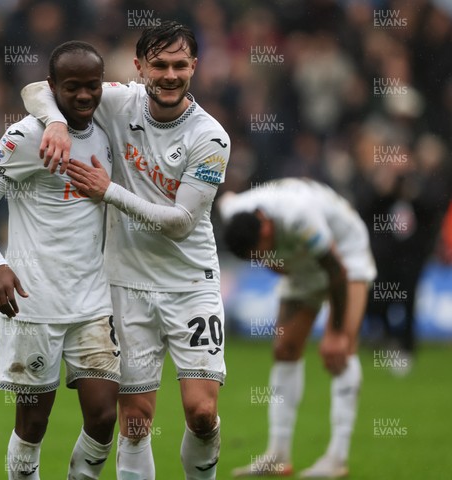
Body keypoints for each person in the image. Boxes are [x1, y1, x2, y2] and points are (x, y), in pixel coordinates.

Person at [21, 21, 230, 480]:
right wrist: (55, 122)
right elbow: (37, 88)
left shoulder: (211, 138)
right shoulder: (117, 102)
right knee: (135, 422)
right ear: (140, 68)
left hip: (191, 284)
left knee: (200, 412)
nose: (170, 75)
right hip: (126, 285)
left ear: (194, 66)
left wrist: (109, 191)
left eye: (180, 65)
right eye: (159, 65)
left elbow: (180, 223)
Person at [0, 41, 120, 480]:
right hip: (34, 304)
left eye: (92, 86)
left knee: (105, 418)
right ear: (53, 88)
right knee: (33, 426)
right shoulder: (24, 137)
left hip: (92, 301)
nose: (85, 96)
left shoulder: (106, 127)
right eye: (72, 88)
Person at [219, 178, 376, 479]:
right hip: (301, 260)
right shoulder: (234, 213)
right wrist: (270, 261)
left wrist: (335, 332)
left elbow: (335, 269)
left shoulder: (299, 216)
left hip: (345, 255)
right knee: (284, 349)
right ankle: (278, 455)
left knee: (339, 351)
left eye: (261, 251)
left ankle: (337, 458)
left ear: (265, 226)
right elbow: (225, 198)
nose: (261, 259)